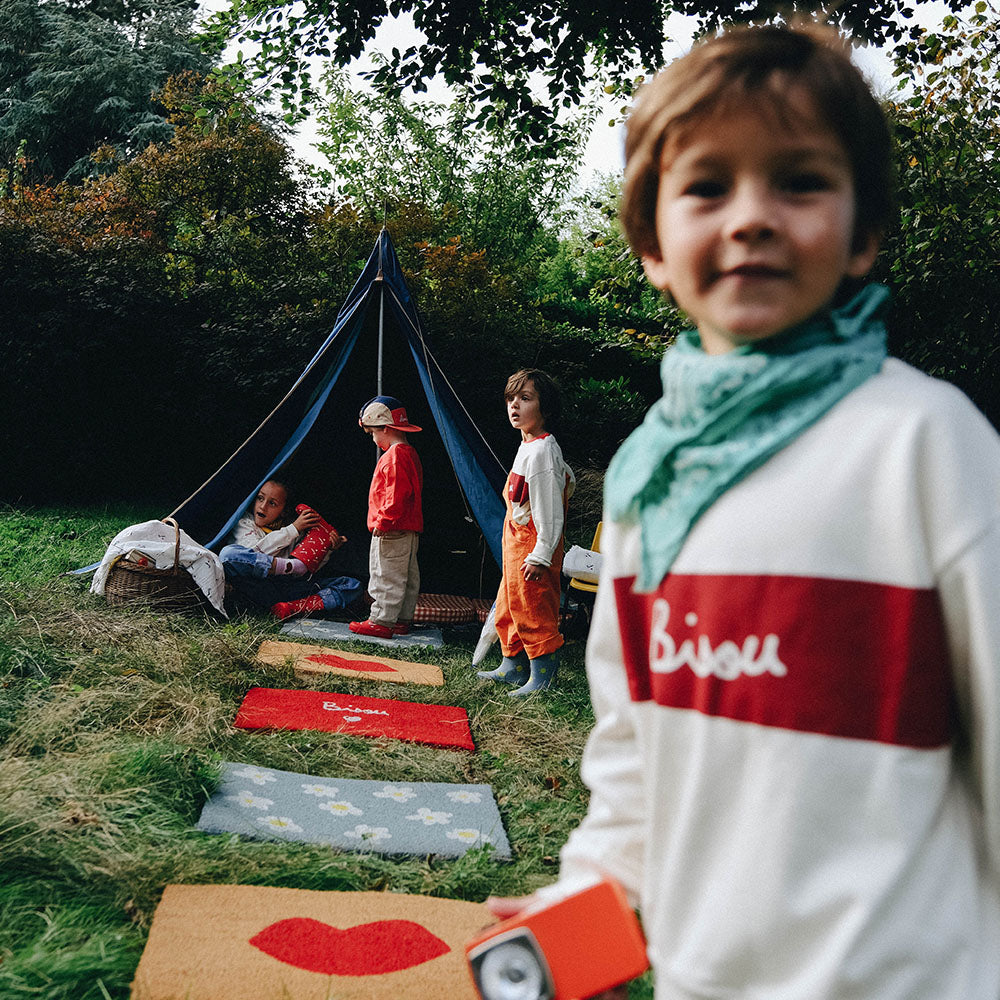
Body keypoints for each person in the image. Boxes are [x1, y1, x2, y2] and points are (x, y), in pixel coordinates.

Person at [488, 23, 1000, 1000]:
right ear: (650, 244)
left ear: (865, 235)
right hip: (698, 977)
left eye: (800, 181)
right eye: (707, 185)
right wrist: (595, 889)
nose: (752, 216)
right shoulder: (646, 479)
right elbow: (633, 744)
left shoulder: (928, 445)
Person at [477, 369, 575, 696]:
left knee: (534, 609)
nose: (514, 405)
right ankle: (513, 666)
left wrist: (542, 553)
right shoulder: (528, 446)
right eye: (511, 399)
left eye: (526, 398)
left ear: (545, 408)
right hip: (515, 541)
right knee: (510, 605)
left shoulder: (544, 452)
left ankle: (542, 678)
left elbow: (550, 509)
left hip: (533, 545)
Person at [219, 479, 361, 620]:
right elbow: (254, 552)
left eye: (272, 503)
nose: (262, 507)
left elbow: (305, 573)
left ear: (284, 511)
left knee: (351, 585)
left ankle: (292, 608)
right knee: (228, 555)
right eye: (260, 498)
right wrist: (293, 529)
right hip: (257, 586)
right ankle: (293, 567)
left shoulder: (296, 534)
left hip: (286, 590)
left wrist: (327, 549)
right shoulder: (244, 521)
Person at [349, 396, 424, 639]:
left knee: (386, 573)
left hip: (391, 528)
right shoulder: (409, 453)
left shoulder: (393, 456)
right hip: (410, 528)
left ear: (385, 428)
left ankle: (381, 620)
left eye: (372, 433)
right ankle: (401, 618)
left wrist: (383, 521)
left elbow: (396, 495)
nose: (373, 439)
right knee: (407, 575)